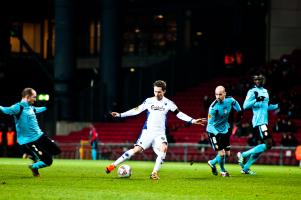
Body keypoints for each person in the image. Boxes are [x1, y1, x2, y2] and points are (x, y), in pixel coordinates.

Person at [105, 80, 206, 180]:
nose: (157, 94)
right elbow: (136, 110)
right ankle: (112, 165)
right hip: (147, 132)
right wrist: (120, 115)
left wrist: (192, 120)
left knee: (164, 148)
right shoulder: (149, 101)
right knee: (136, 150)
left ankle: (154, 173)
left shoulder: (169, 103)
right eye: (155, 91)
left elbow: (180, 114)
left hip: (159, 133)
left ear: (164, 91)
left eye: (159, 92)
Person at [0, 87, 61, 177]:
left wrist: (47, 106)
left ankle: (34, 156)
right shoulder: (18, 107)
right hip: (29, 140)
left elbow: (38, 109)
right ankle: (34, 165)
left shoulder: (30, 108)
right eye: (34, 97)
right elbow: (5, 110)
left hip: (40, 136)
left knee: (56, 150)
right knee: (48, 161)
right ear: (27, 97)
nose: (35, 99)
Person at [237, 74, 278, 175]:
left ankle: (245, 168)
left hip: (264, 122)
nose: (258, 81)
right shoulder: (252, 92)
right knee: (269, 144)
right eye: (256, 79)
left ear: (263, 80)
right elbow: (245, 106)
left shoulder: (265, 91)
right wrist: (256, 99)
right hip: (259, 122)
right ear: (254, 81)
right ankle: (243, 154)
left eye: (260, 79)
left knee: (264, 147)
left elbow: (266, 106)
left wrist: (277, 106)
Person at [206, 86, 242, 177]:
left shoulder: (229, 100)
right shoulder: (213, 108)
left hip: (225, 129)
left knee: (227, 154)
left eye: (220, 94)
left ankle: (212, 162)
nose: (218, 97)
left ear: (225, 94)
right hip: (214, 132)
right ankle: (223, 171)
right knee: (222, 154)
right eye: (216, 94)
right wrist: (217, 134)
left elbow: (235, 102)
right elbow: (209, 125)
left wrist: (239, 110)